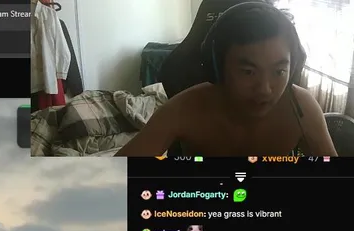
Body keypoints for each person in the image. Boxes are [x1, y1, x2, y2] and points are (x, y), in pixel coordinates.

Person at [117, 2, 338, 157]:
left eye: (279, 72)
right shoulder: (184, 109)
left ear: (294, 66)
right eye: (248, 72)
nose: (265, 90)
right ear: (218, 67)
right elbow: (109, 181)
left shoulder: (301, 109)